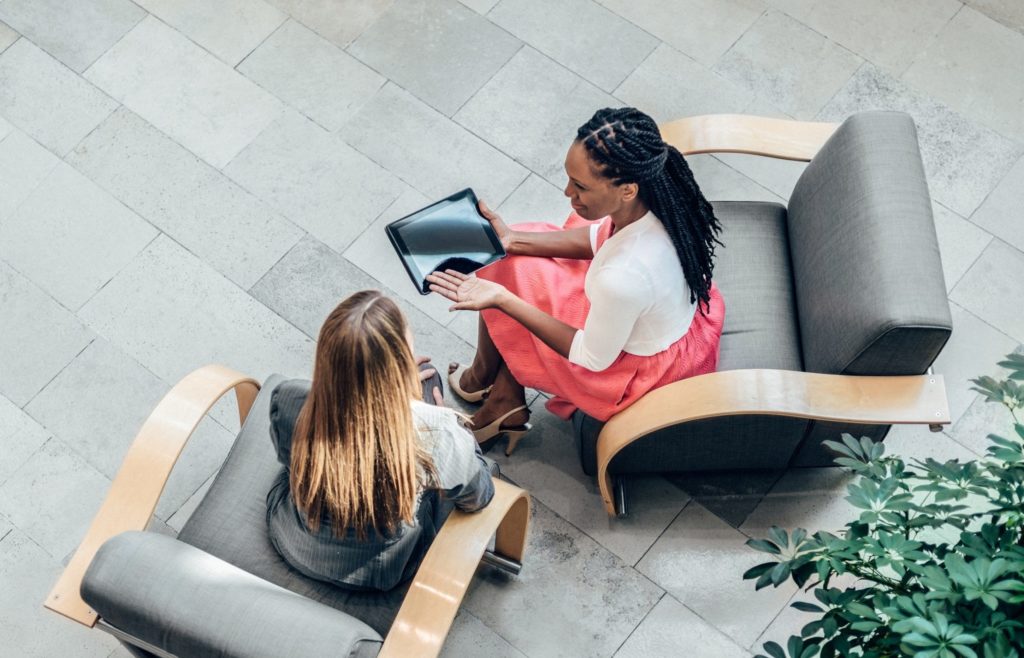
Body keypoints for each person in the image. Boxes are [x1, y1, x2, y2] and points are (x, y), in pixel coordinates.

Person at [427, 107, 726, 455]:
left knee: (509, 287)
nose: (569, 192)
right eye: (570, 178)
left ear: (627, 189)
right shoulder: (654, 199)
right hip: (650, 319)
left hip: (628, 371)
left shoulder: (624, 275)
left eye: (581, 186)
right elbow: (597, 238)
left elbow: (592, 358)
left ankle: (491, 387)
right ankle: (494, 386)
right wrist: (512, 239)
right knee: (515, 253)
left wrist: (502, 299)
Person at [265, 290, 495, 591]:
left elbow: (287, 460)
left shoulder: (290, 398)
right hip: (378, 572)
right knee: (431, 382)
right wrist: (444, 419)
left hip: (291, 538)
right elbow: (479, 496)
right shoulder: (436, 432)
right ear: (398, 365)